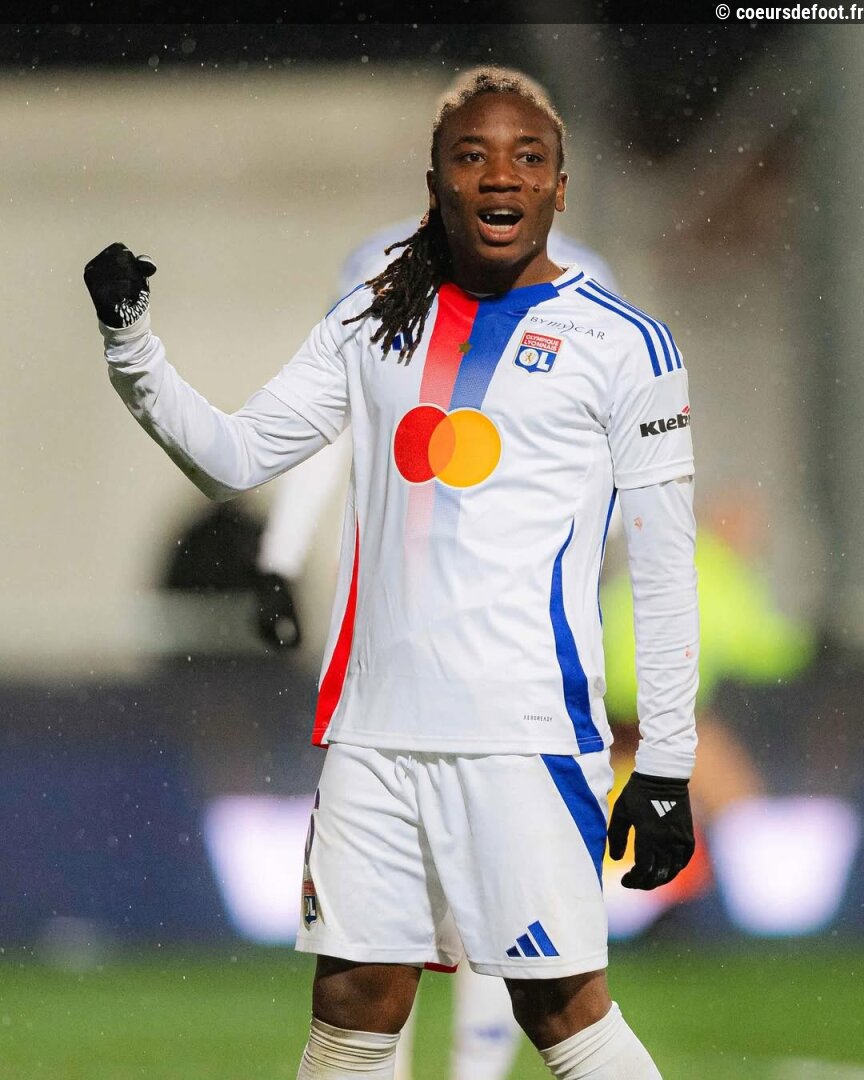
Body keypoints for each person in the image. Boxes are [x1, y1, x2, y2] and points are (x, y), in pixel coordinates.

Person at [84, 66, 698, 1080]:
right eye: (472, 155)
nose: (500, 176)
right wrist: (132, 345)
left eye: (528, 157)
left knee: (563, 1013)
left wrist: (667, 763)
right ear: (435, 182)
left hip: (524, 739)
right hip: (374, 738)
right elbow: (236, 456)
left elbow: (668, 562)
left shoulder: (625, 346)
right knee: (353, 1010)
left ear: (560, 186)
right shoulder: (374, 321)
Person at [256, 220, 621, 1080]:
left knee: (505, 914)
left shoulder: (584, 286)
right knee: (378, 926)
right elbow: (338, 416)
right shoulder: (387, 271)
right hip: (399, 647)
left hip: (510, 657)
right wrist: (278, 557)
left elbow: (609, 458)